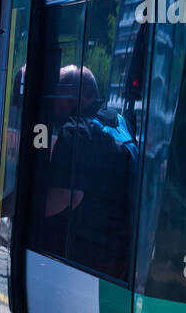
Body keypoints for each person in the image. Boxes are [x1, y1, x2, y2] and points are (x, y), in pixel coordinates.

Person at [42, 65, 139, 280]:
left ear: (71, 95)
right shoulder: (120, 121)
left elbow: (67, 196)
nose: (51, 103)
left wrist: (26, 214)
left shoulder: (75, 131)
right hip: (124, 251)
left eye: (56, 95)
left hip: (89, 256)